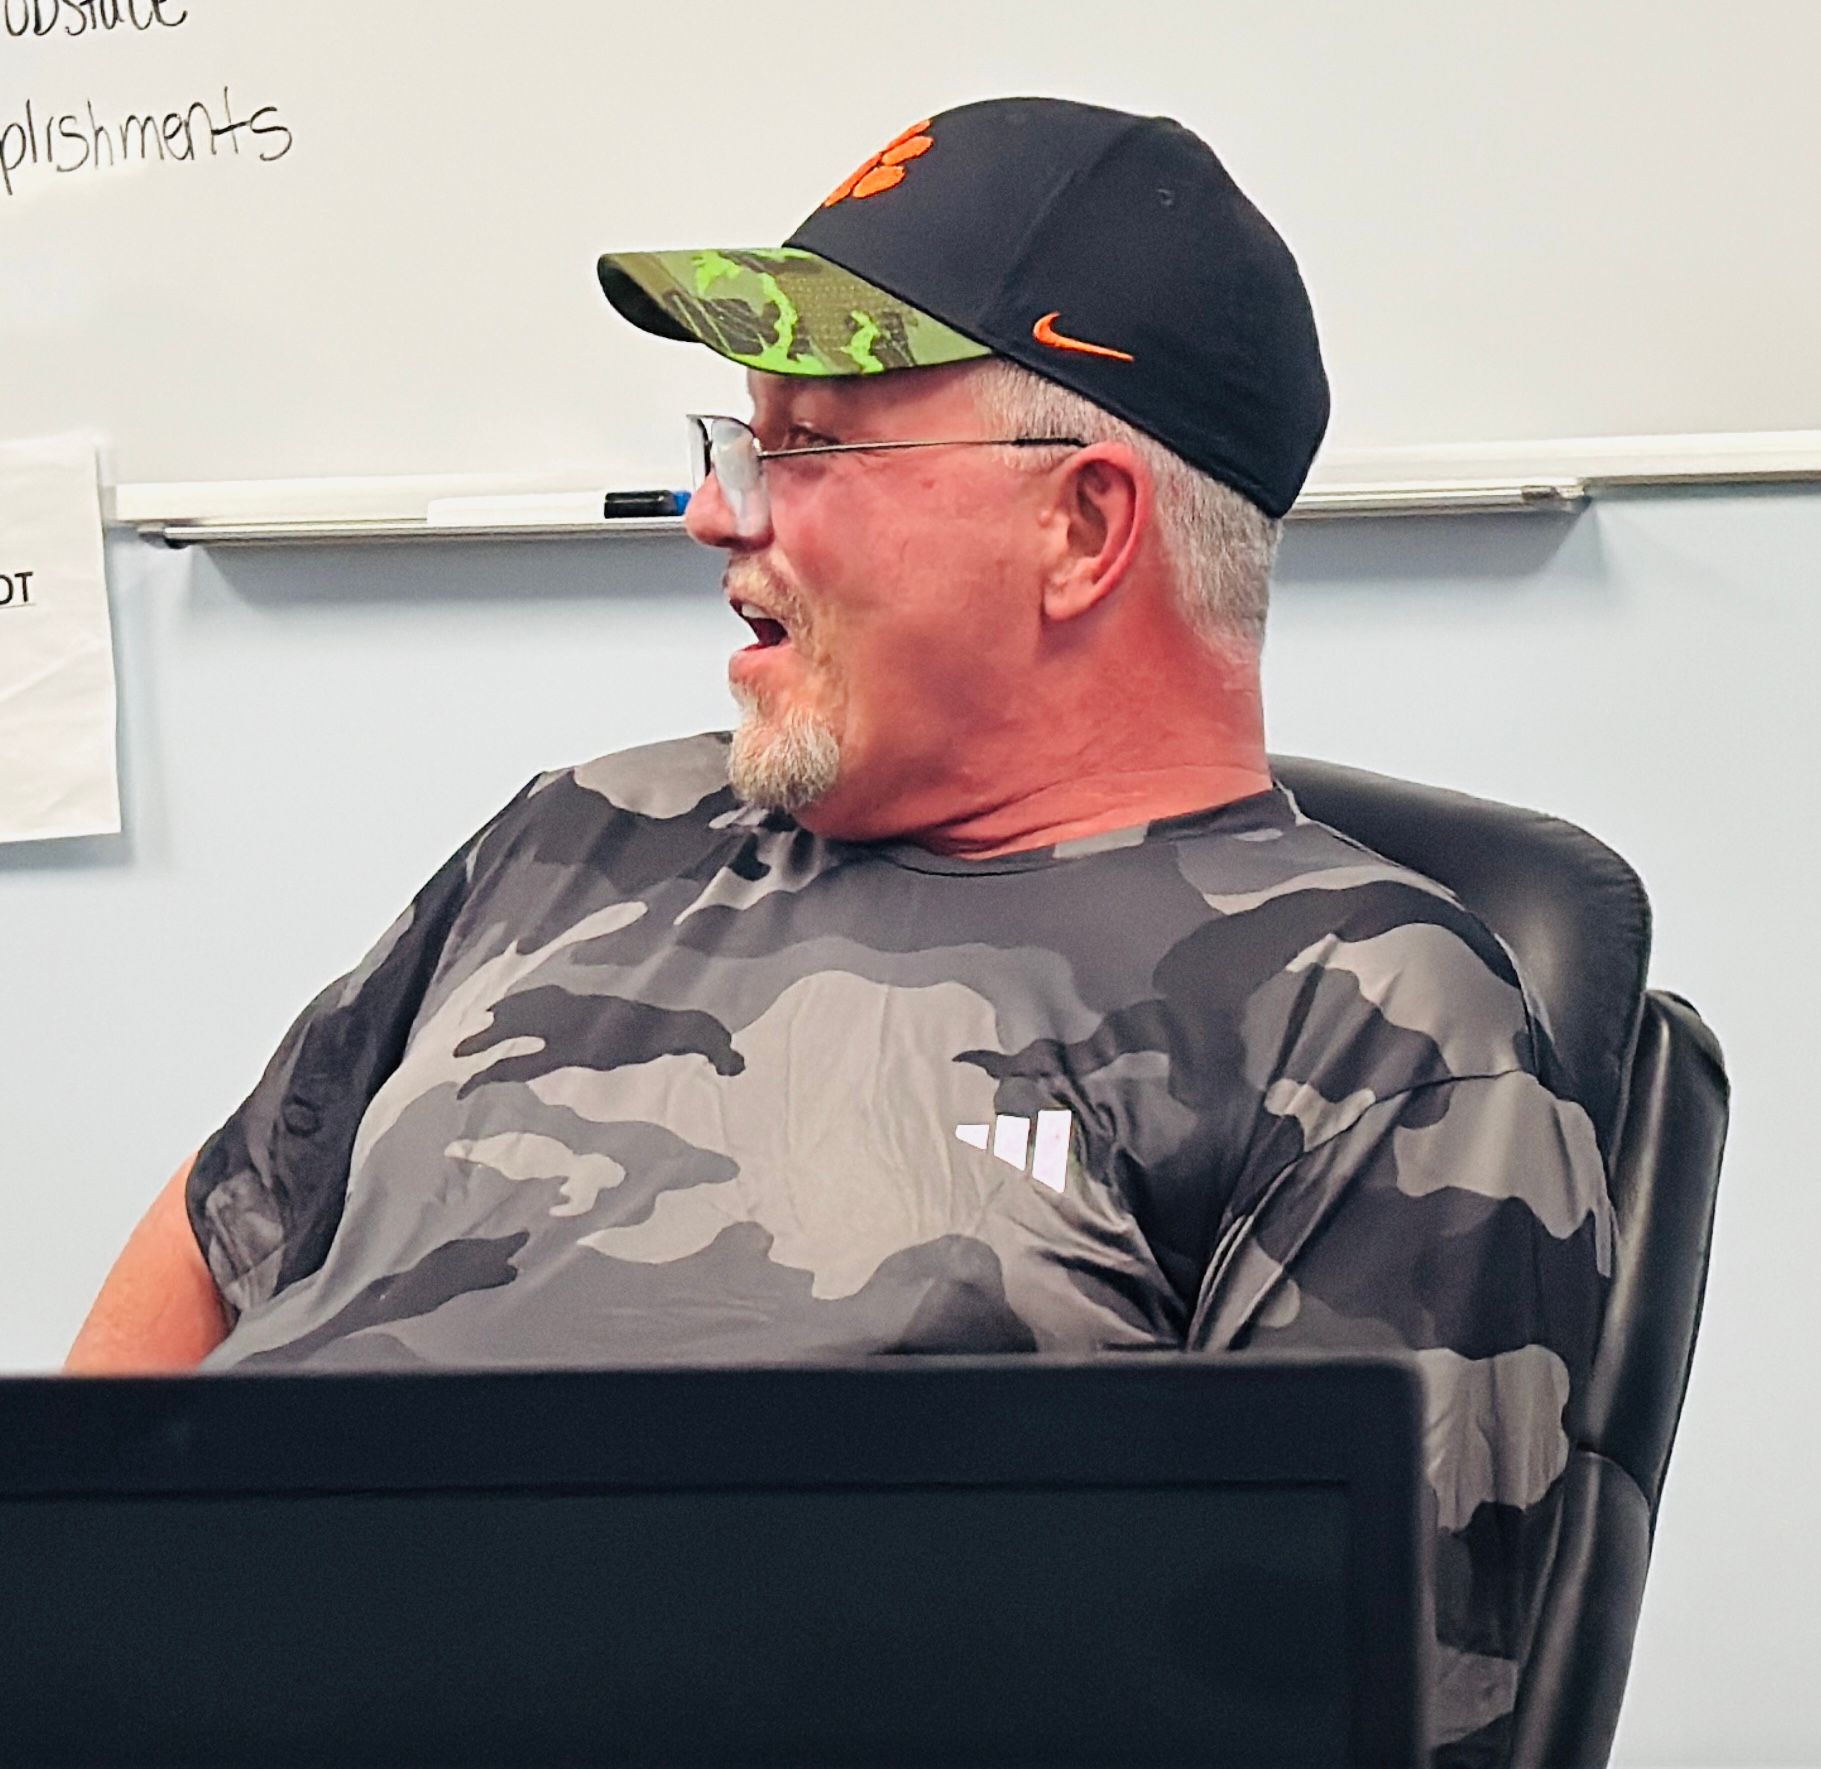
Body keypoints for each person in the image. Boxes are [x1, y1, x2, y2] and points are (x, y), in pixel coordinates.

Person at [67, 97, 1610, 1766]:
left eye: (809, 449)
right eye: (739, 443)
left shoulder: (1369, 1023)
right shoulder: (581, 827)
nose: (719, 516)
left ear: (1079, 527)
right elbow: (224, 1237)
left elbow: (1337, 1698)